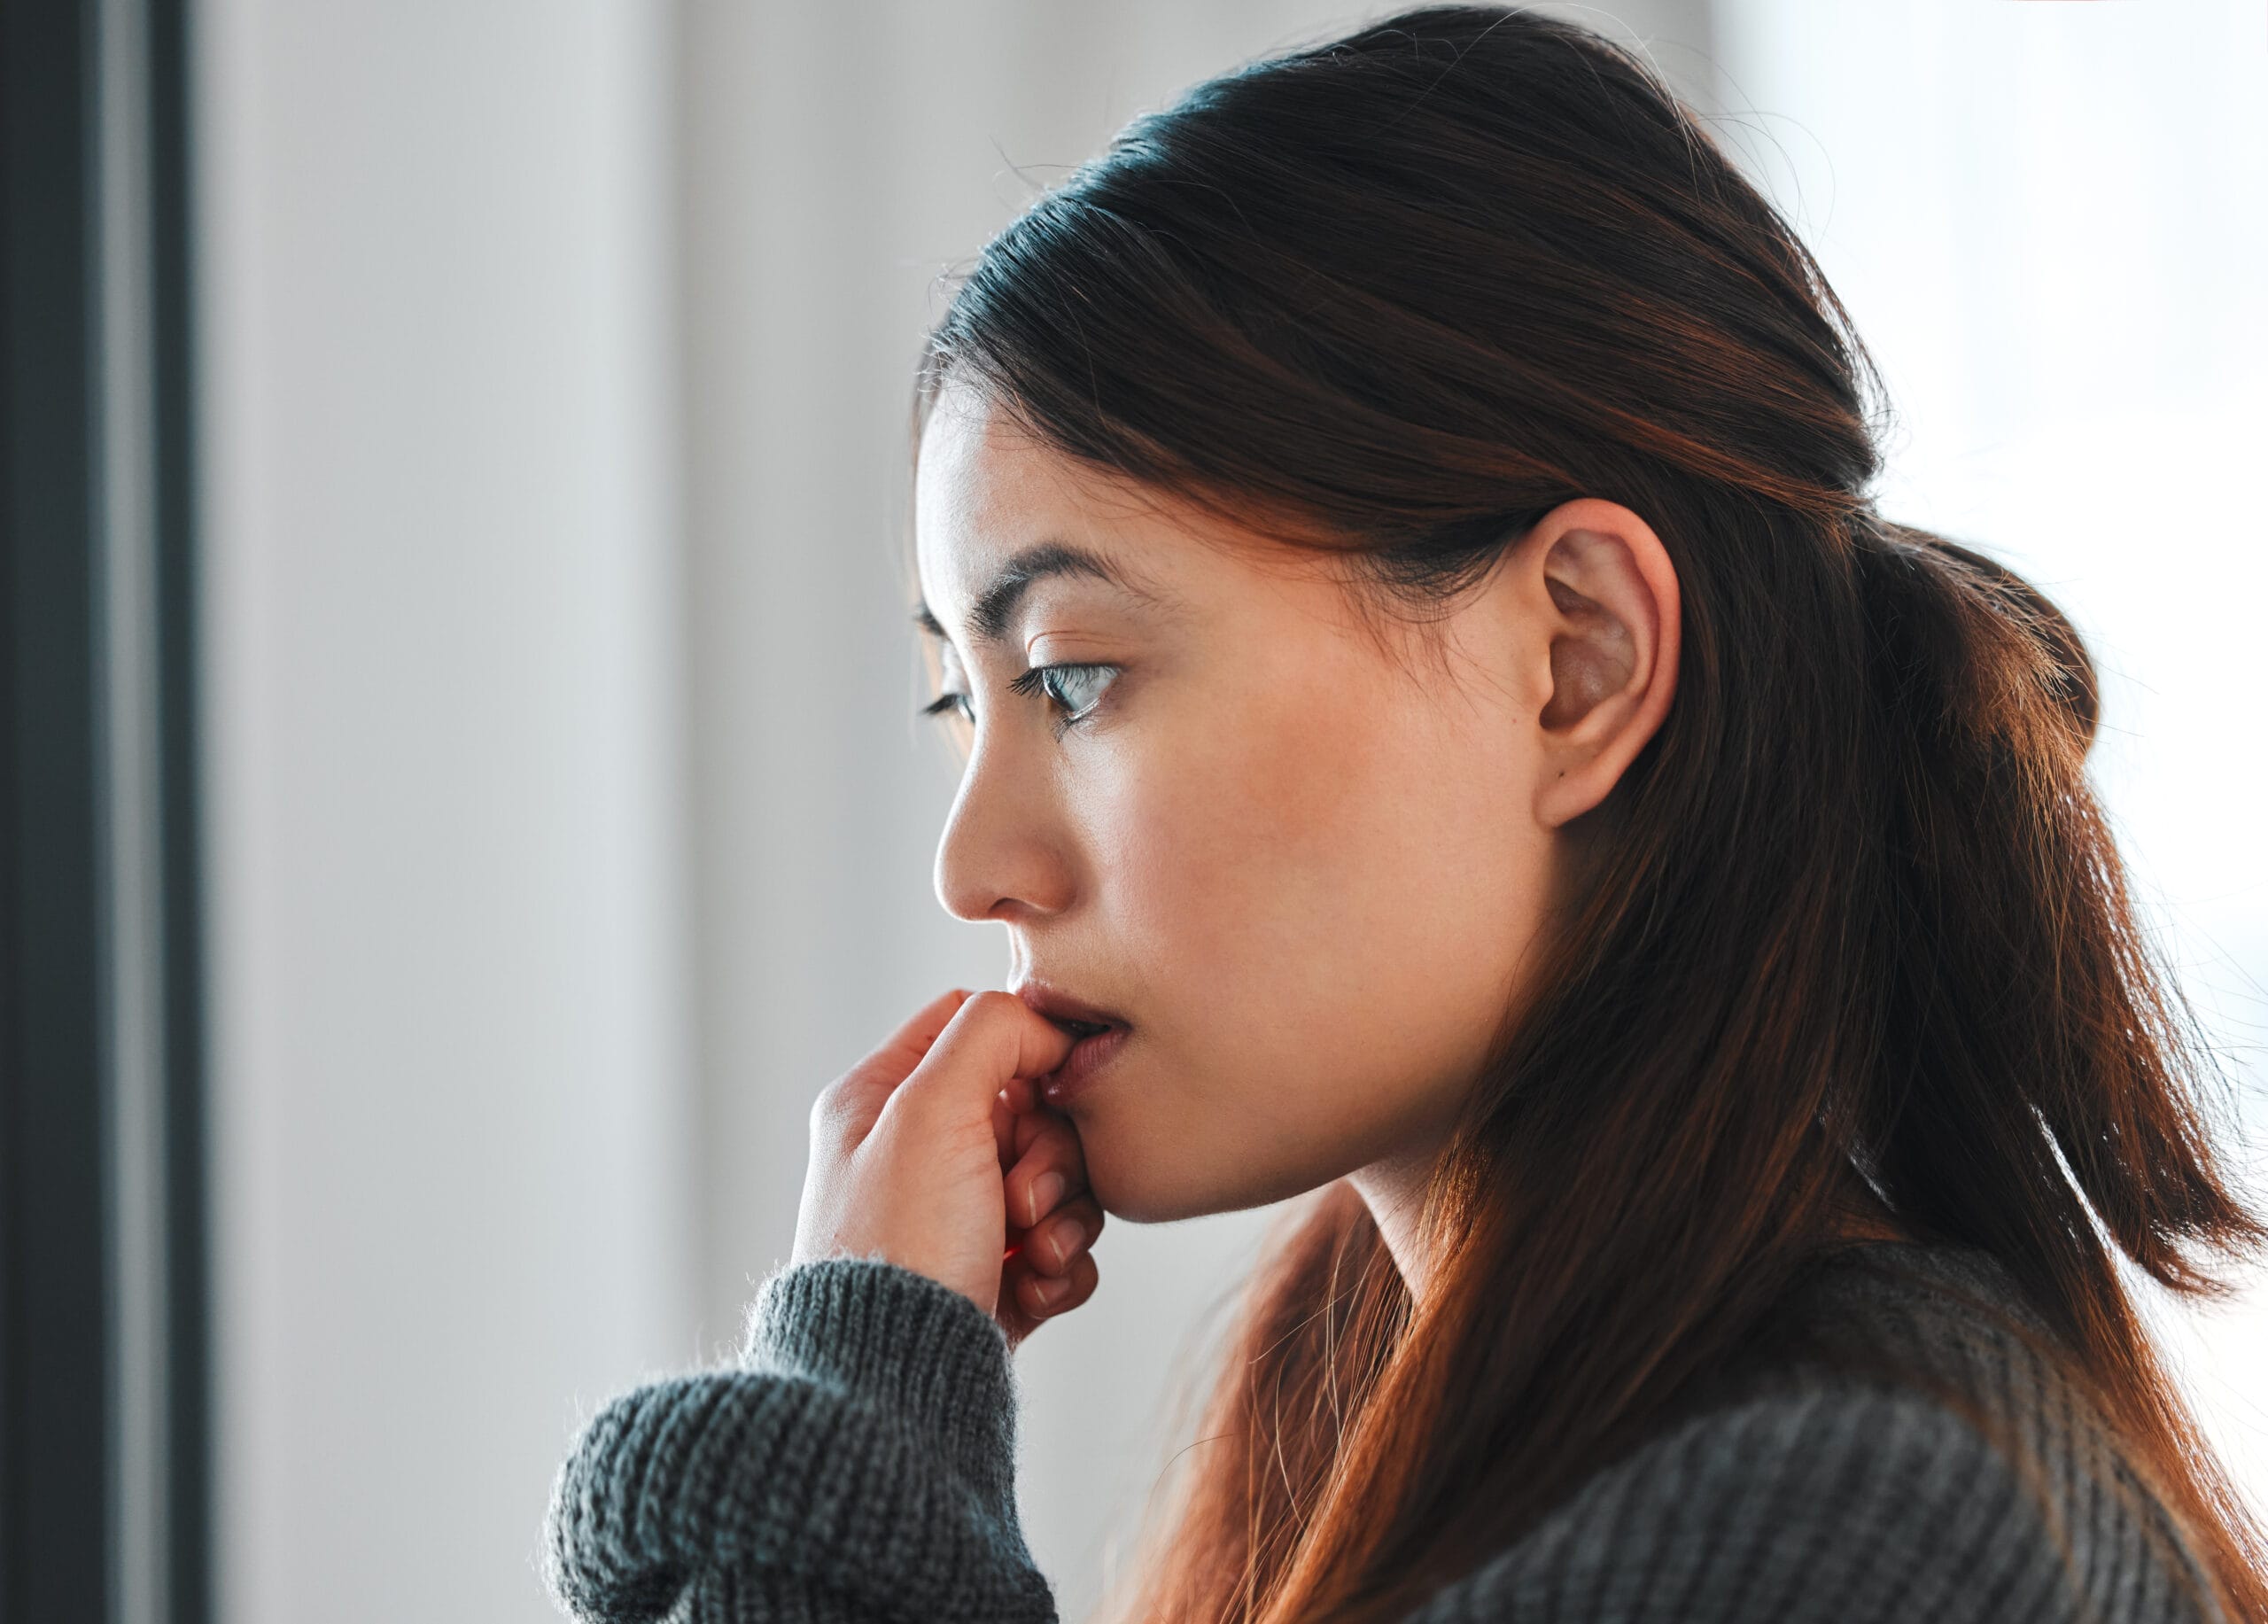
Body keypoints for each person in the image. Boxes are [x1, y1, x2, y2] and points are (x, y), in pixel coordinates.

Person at [541, 7, 2268, 1621]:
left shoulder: (1834, 1524)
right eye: (958, 700)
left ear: (1575, 660)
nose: (974, 861)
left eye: (1069, 674)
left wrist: (859, 1415)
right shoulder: (1433, 1404)